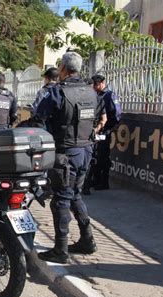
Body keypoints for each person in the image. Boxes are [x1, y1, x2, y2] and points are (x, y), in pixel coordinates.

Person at [34, 52, 107, 264]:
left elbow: (40, 114)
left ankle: (61, 249)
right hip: (86, 152)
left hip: (65, 154)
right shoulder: (91, 92)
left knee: (60, 200)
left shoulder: (58, 92)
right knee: (75, 195)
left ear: (63, 68)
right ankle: (87, 240)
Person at [90, 74, 121, 191]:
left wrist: (108, 127)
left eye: (96, 84)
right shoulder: (96, 95)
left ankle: (104, 182)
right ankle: (95, 179)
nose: (95, 87)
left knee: (103, 156)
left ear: (102, 83)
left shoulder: (109, 95)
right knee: (95, 156)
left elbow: (116, 114)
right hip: (96, 129)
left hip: (105, 130)